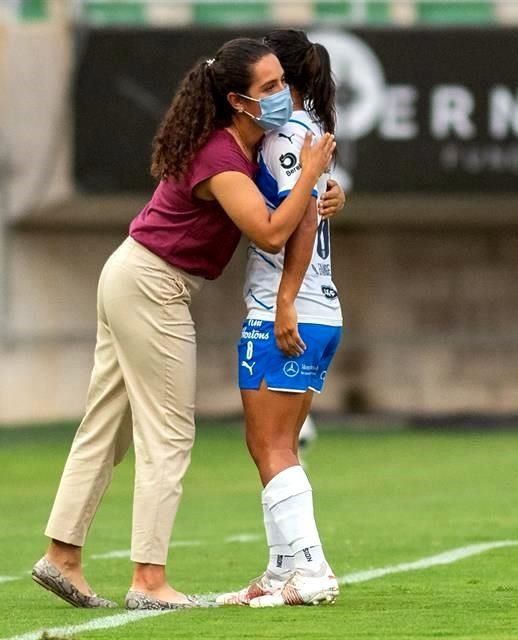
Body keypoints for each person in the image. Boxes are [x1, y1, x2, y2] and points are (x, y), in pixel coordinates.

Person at [31, 37, 337, 611]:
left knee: (108, 426)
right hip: (153, 285)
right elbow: (269, 231)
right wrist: (311, 175)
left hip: (133, 274)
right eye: (268, 89)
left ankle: (62, 557)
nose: (281, 98)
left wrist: (324, 191)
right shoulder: (221, 156)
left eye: (281, 85)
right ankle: (149, 580)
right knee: (168, 434)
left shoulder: (245, 146)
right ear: (236, 101)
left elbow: (290, 205)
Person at [216, 28, 343, 608]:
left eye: (273, 78)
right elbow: (314, 201)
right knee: (274, 442)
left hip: (288, 309)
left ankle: (312, 569)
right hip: (321, 308)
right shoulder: (308, 133)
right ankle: (281, 567)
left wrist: (283, 300)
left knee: (272, 446)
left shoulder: (284, 136)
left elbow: (296, 221)